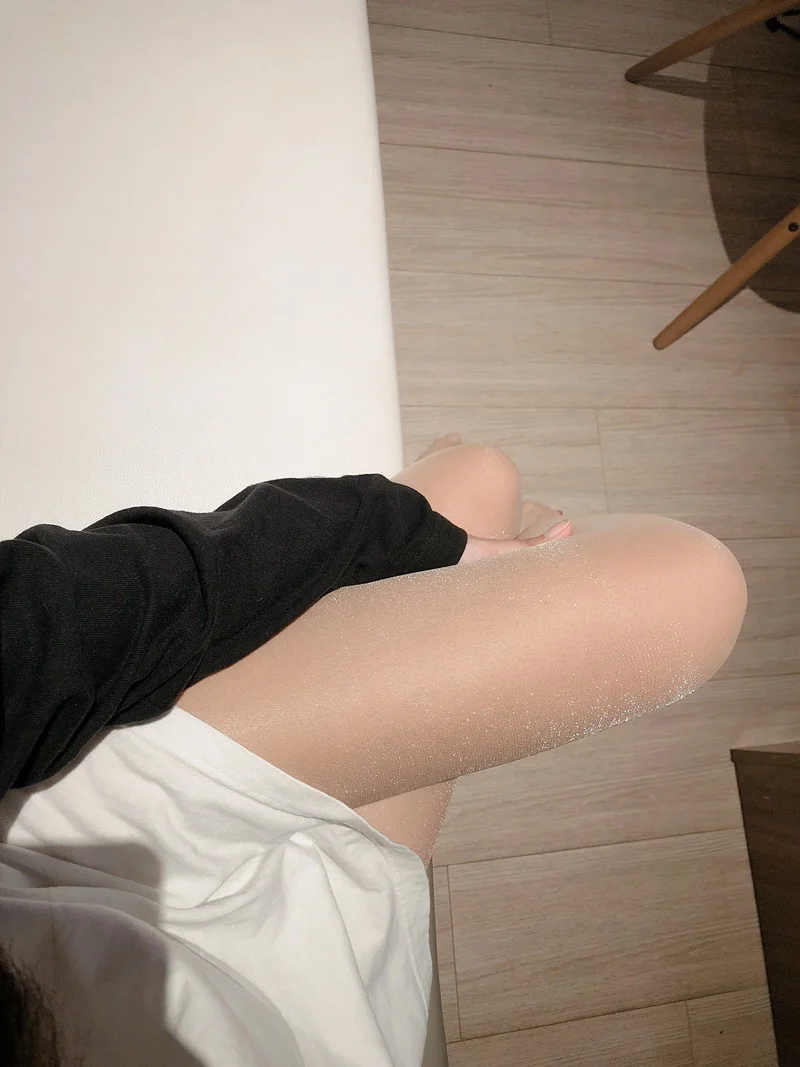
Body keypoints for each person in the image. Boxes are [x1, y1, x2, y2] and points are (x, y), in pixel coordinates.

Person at [0, 434, 747, 1067]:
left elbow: (54, 609)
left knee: (480, 478)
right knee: (681, 583)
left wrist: (418, 540)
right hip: (293, 1008)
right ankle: (520, 529)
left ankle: (508, 528)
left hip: (47, 831)